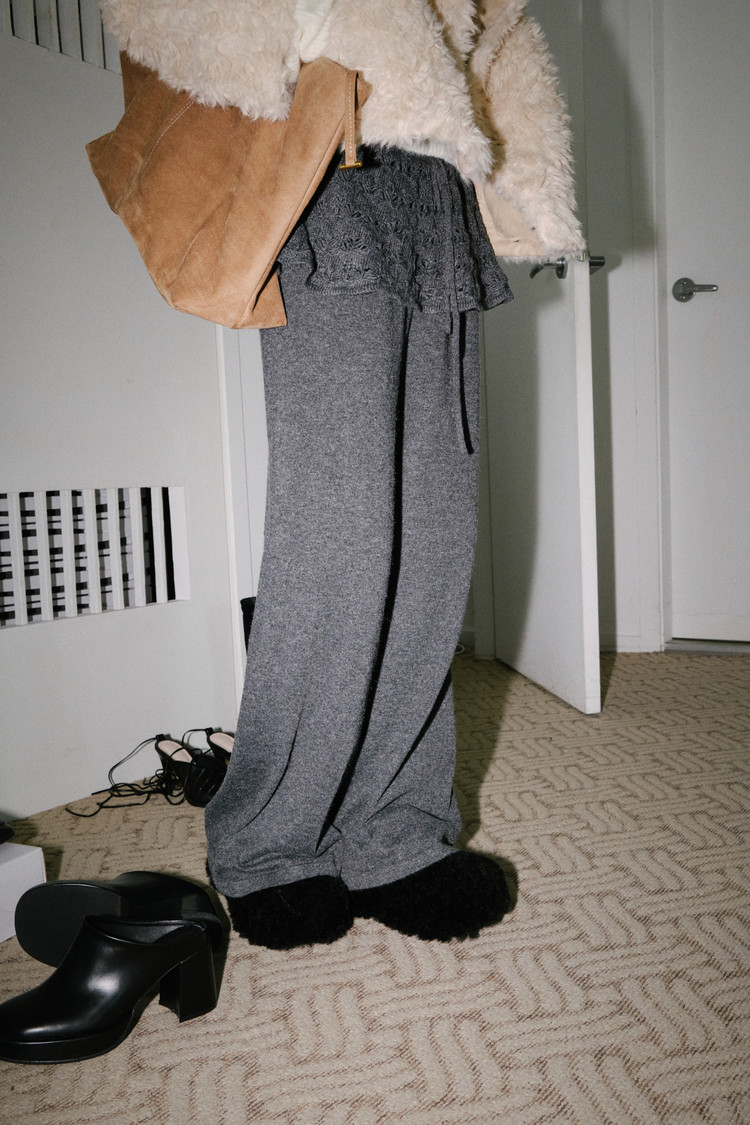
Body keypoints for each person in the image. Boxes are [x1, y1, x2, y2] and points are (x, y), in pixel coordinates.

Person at [100, 0, 584, 948]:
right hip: (332, 156)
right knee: (340, 533)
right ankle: (268, 839)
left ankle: (394, 830)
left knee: (434, 537)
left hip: (438, 177)